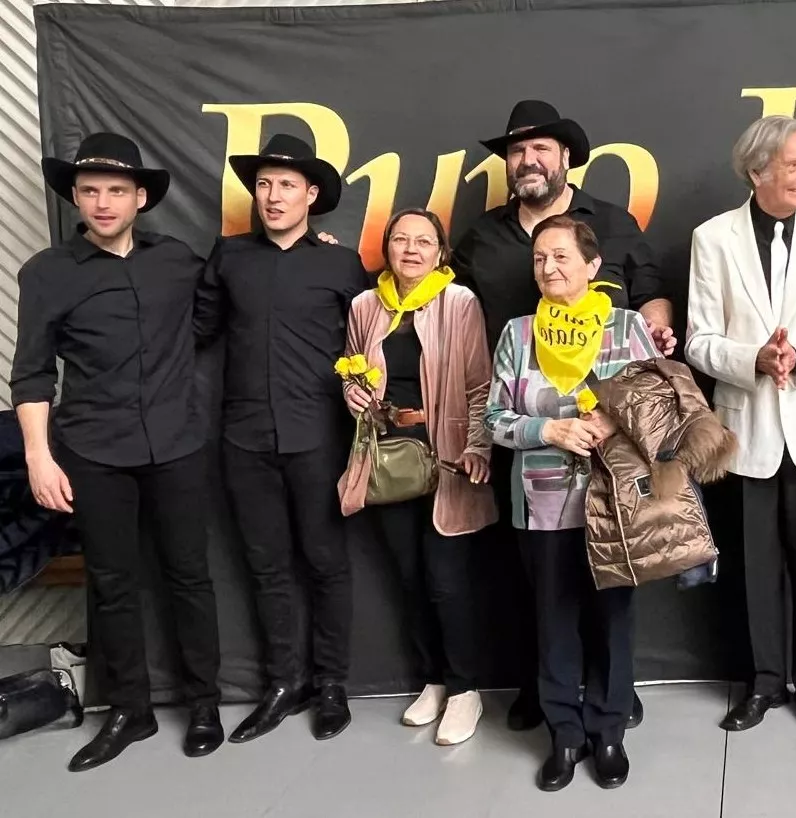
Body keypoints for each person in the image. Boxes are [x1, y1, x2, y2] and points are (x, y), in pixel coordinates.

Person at [451, 100, 666, 733]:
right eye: (517, 151)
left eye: (541, 148)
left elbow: (652, 298)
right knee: (538, 591)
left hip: (611, 457)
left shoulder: (614, 224)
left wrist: (648, 350)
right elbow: (444, 300)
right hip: (530, 445)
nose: (529, 159)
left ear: (565, 156)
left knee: (610, 590)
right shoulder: (482, 238)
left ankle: (611, 695)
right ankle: (548, 698)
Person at [12, 132, 222, 771]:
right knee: (111, 583)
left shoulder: (177, 260)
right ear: (75, 198)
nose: (102, 203)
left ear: (139, 199)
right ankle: (130, 710)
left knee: (190, 576)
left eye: (116, 191)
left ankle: (205, 702)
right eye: (90, 191)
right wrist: (38, 457)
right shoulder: (48, 273)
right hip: (95, 450)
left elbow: (219, 310)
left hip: (178, 444)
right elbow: (30, 373)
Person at [685, 115, 796, 737]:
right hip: (747, 432)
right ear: (757, 170)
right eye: (794, 165)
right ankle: (763, 684)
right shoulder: (712, 238)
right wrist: (752, 359)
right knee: (754, 569)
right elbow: (700, 342)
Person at [193, 134, 367, 744]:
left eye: (287, 185)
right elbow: (193, 331)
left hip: (317, 434)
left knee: (325, 564)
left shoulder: (341, 264)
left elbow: (373, 339)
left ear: (311, 195)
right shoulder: (229, 255)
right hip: (242, 438)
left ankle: (331, 685)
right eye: (264, 184)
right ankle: (283, 683)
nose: (272, 196)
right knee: (266, 567)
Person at [485, 215, 658, 791]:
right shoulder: (517, 333)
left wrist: (611, 419)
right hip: (541, 506)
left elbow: (657, 402)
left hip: (616, 505)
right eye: (539, 258)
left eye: (560, 257)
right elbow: (494, 422)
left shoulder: (626, 327)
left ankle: (609, 731)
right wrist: (550, 432)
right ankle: (564, 736)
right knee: (554, 622)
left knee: (613, 621)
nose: (548, 268)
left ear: (591, 266)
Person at [336, 208, 497, 746]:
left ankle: (465, 688)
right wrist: (353, 394)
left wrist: (478, 445)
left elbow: (479, 385)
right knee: (408, 579)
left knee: (448, 582)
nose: (410, 249)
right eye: (400, 239)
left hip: (447, 455)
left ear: (440, 251)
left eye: (422, 241)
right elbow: (352, 371)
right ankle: (431, 680)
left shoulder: (459, 302)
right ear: (387, 248)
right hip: (392, 459)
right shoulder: (365, 306)